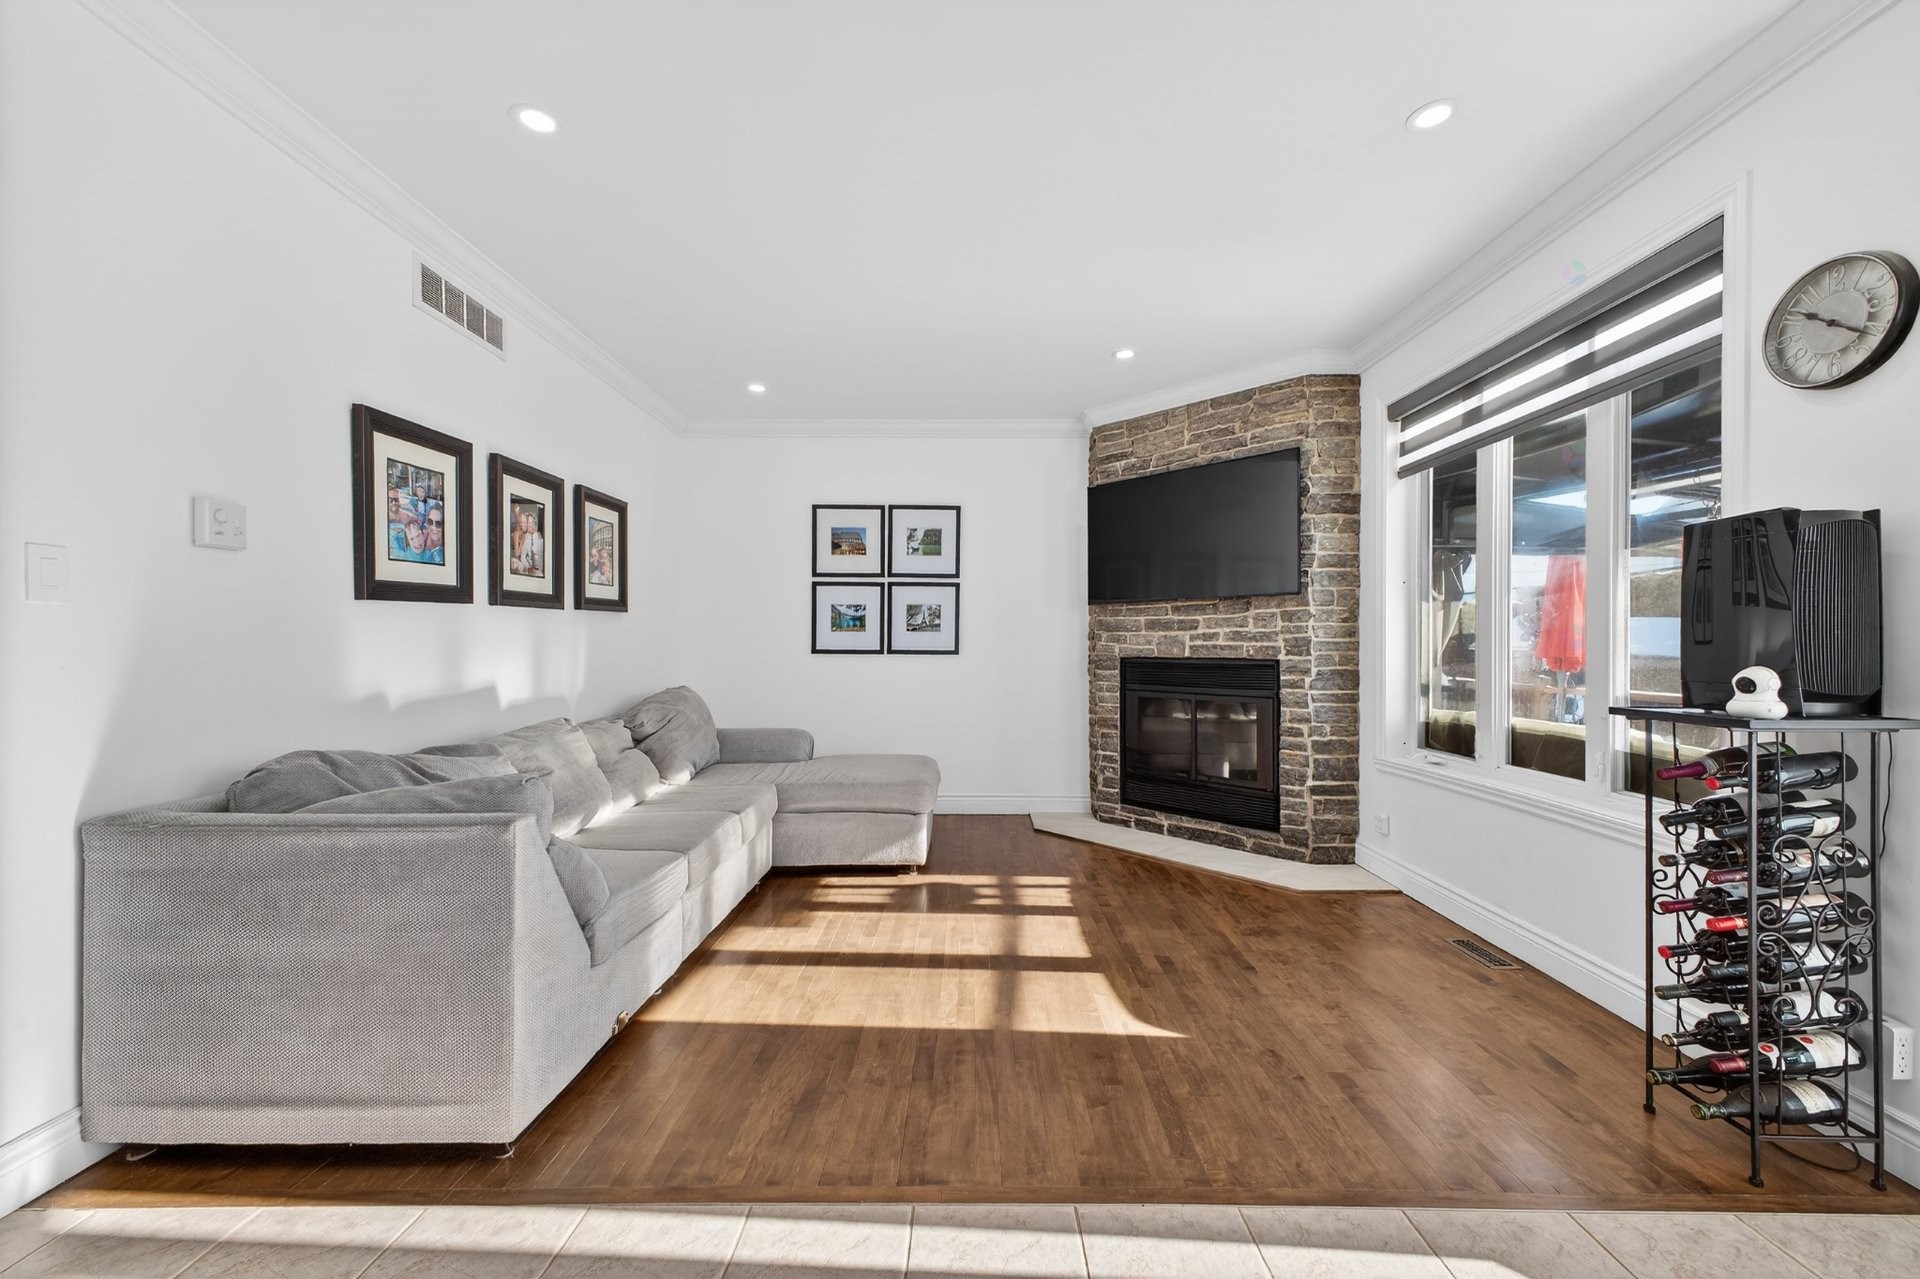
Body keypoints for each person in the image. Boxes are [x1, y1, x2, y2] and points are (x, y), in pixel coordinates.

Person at [513, 509, 544, 576]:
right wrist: (529, 568)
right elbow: (523, 557)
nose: (530, 525)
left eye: (532, 522)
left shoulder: (540, 538)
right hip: (531, 570)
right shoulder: (526, 538)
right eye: (529, 523)